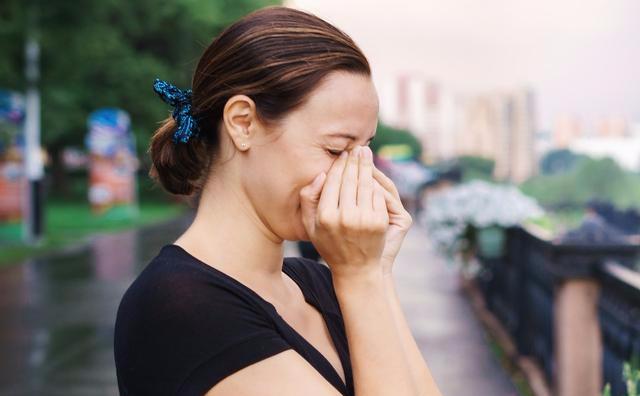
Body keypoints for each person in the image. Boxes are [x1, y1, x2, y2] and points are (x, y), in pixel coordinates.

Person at [114, 6, 442, 396]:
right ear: (242, 123)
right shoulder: (178, 307)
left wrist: (378, 274)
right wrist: (361, 279)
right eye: (337, 150)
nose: (359, 177)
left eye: (364, 152)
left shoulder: (316, 282)